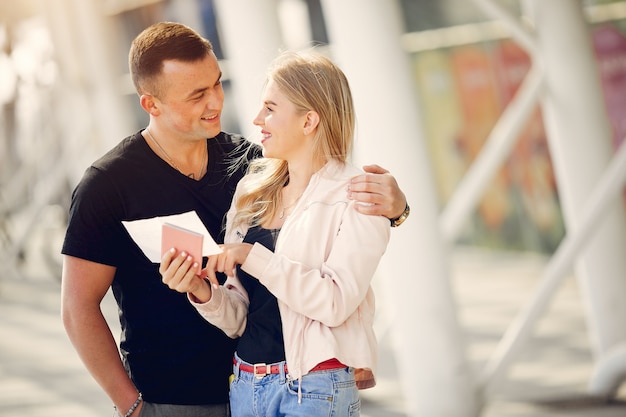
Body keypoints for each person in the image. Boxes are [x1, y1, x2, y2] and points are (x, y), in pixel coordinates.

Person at [61, 22, 408, 417]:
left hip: (257, 387)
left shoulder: (253, 167)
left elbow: (319, 227)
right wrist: (132, 406)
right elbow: (77, 308)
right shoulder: (109, 184)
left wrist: (396, 209)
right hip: (171, 400)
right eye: (197, 95)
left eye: (217, 84)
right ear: (151, 104)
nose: (216, 103)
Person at [161, 50, 390, 417]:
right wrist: (202, 290)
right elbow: (241, 319)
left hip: (313, 388)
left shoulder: (359, 195)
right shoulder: (251, 193)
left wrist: (250, 256)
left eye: (270, 108)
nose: (257, 119)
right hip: (247, 385)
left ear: (309, 120)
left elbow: (334, 302)